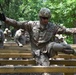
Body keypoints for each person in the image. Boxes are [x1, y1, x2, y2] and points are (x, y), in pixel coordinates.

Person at [0, 7, 76, 75]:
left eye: (47, 18)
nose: (45, 20)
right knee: (46, 69)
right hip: (38, 52)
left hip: (49, 47)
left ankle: (74, 52)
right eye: (44, 18)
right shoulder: (31, 25)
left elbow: (66, 30)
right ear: (40, 17)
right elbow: (17, 23)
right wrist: (6, 19)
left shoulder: (52, 26)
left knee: (60, 46)